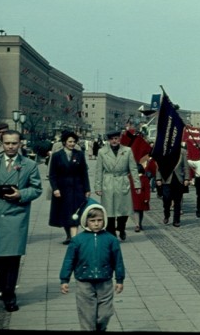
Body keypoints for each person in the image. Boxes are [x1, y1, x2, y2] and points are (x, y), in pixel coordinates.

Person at [0, 129, 43, 312]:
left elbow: (37, 189)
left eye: (14, 143)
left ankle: (9, 295)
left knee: (12, 258)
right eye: (7, 143)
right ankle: (2, 282)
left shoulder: (29, 164)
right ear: (2, 143)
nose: (11, 146)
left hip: (16, 215)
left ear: (20, 143)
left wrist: (21, 194)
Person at [59, 198, 125, 331]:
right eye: (93, 221)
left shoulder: (111, 239)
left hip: (105, 282)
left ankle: (101, 328)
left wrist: (120, 279)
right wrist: (64, 279)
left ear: (104, 220)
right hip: (84, 282)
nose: (96, 224)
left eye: (99, 220)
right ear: (86, 221)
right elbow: (69, 260)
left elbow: (118, 260)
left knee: (105, 314)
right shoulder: (78, 240)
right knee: (87, 316)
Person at [94, 131, 141, 241]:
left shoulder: (127, 150)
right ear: (108, 140)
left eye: (116, 138)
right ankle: (111, 232)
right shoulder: (102, 152)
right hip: (108, 182)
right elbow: (98, 170)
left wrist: (137, 184)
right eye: (112, 139)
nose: (114, 141)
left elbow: (133, 168)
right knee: (109, 209)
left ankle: (121, 228)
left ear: (120, 139)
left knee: (124, 209)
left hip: (122, 181)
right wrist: (98, 187)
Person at [48, 130, 91, 244]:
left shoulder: (79, 154)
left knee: (75, 212)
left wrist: (87, 189)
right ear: (64, 142)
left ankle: (74, 238)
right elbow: (52, 174)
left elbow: (84, 173)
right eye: (70, 141)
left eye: (74, 142)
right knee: (64, 212)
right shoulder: (57, 156)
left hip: (77, 188)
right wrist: (55, 188)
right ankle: (69, 235)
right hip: (62, 189)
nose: (72, 144)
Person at [155, 144, 189, 227]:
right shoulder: (164, 150)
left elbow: (186, 166)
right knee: (166, 199)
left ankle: (176, 220)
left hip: (178, 180)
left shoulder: (182, 152)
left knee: (178, 201)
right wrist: (158, 178)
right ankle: (167, 214)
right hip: (166, 180)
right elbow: (159, 166)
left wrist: (187, 178)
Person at [131, 162, 151, 232]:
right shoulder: (131, 178)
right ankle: (137, 225)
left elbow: (147, 190)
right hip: (135, 198)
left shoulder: (144, 179)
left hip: (141, 198)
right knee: (136, 211)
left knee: (140, 211)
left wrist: (146, 198)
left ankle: (139, 223)